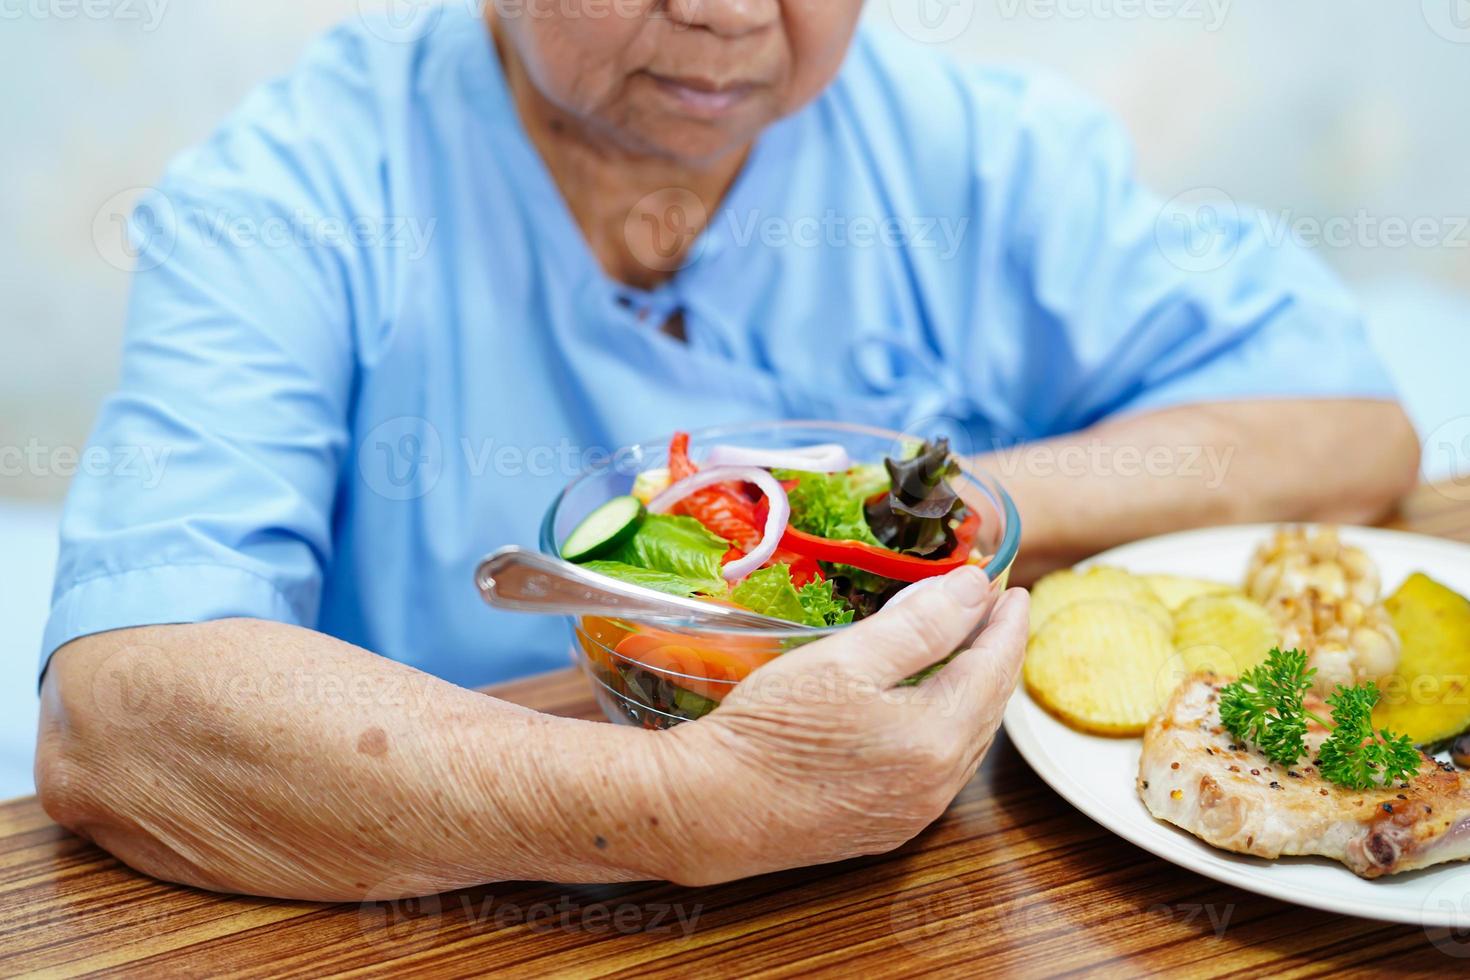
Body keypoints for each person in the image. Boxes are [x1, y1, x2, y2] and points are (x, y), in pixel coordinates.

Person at [36, 2, 1419, 900]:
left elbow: (1343, 427)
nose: (729, 15)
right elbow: (121, 713)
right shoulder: (291, 195)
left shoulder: (965, 150)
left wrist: (893, 532)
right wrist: (672, 805)